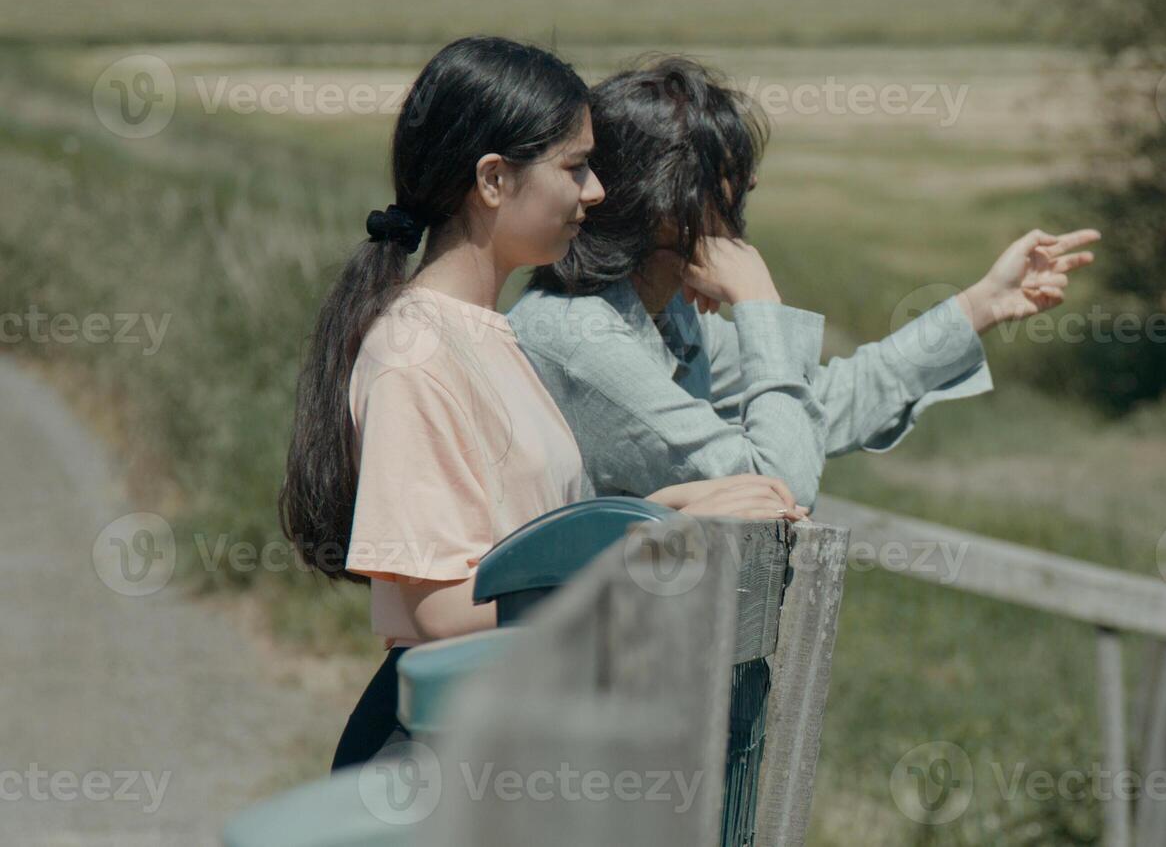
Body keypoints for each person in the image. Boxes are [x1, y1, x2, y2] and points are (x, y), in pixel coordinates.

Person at [275, 38, 804, 772]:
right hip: (441, 754)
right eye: (575, 167)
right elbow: (442, 613)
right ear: (493, 180)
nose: (595, 193)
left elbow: (531, 543)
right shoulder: (416, 355)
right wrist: (663, 542)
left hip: (503, 737)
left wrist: (681, 508)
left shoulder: (487, 335)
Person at [508, 56, 1099, 508]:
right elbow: (778, 485)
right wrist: (760, 304)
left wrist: (979, 305)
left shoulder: (663, 315)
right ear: (668, 198)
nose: (750, 187)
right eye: (729, 175)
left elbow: (814, 404)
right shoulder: (586, 342)